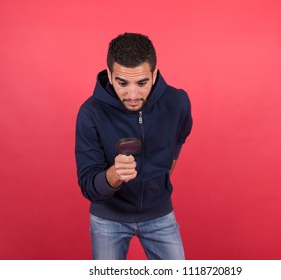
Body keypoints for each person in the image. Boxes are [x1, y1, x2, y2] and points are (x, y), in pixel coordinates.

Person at [75, 32, 193, 260]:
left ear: (154, 74)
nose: (132, 95)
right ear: (109, 75)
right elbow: (88, 186)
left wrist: (159, 182)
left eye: (142, 83)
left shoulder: (177, 102)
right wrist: (114, 175)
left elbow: (179, 137)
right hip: (108, 219)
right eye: (122, 83)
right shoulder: (90, 113)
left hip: (159, 215)